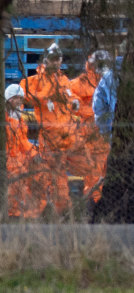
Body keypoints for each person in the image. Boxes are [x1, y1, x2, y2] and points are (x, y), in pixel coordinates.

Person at [19, 43, 81, 214]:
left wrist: (75, 102)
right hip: (48, 135)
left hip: (64, 137)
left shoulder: (63, 79)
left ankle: (61, 211)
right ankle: (39, 211)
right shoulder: (38, 79)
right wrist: (45, 97)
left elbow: (72, 96)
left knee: (60, 176)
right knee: (45, 174)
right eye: (52, 60)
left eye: (58, 60)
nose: (55, 63)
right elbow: (24, 93)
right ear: (46, 60)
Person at [70, 50, 112, 203]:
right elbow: (68, 94)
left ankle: (103, 206)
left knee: (109, 173)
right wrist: (86, 110)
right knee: (94, 175)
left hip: (107, 135)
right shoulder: (81, 82)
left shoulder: (110, 80)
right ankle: (94, 206)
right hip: (92, 138)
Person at [4, 84, 44, 218]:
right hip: (7, 157)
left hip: (17, 157)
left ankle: (24, 214)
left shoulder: (19, 118)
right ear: (9, 99)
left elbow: (23, 141)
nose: (19, 101)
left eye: (21, 99)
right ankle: (11, 214)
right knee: (15, 185)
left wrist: (34, 153)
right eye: (16, 98)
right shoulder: (4, 117)